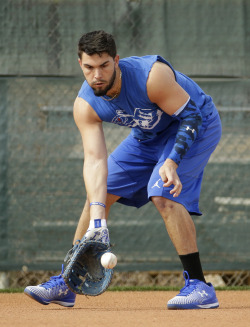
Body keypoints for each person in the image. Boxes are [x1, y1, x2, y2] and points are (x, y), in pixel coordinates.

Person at [24, 30, 221, 309]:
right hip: (146, 136)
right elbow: (94, 161)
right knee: (99, 196)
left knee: (162, 193)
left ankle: (199, 286)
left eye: (104, 65)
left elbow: (192, 116)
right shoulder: (86, 104)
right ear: (79, 64)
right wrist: (97, 216)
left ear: (116, 61)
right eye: (89, 67)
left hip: (194, 126)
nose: (97, 75)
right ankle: (66, 283)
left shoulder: (151, 77)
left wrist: (172, 161)